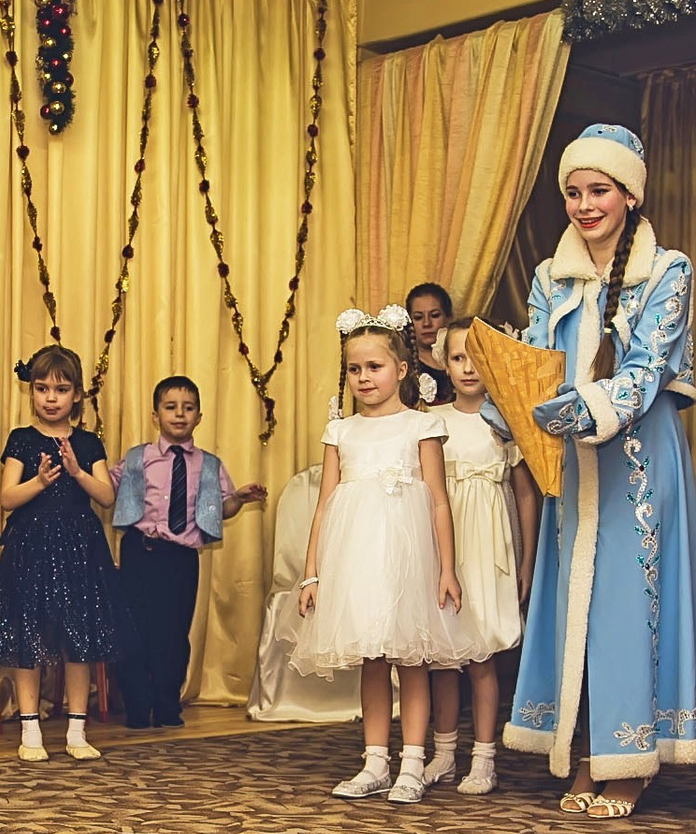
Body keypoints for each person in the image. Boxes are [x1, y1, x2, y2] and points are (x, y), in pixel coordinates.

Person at [504, 124, 696, 820]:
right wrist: (508, 405)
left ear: (629, 193)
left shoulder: (668, 270)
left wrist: (580, 408)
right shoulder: (547, 278)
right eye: (573, 191)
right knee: (576, 611)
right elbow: (536, 360)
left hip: (637, 465)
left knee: (629, 605)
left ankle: (632, 758)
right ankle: (586, 752)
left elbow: (647, 370)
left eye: (598, 190)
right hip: (572, 468)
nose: (584, 204)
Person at [294, 308, 474, 803]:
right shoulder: (341, 431)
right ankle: (375, 761)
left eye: (374, 367)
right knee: (372, 659)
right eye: (355, 369)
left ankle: (413, 763)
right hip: (356, 559)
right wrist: (311, 574)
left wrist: (447, 569)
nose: (364, 378)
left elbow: (439, 500)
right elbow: (325, 504)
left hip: (407, 557)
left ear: (401, 369)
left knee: (410, 657)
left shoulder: (422, 425)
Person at [0, 344, 122, 762]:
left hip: (80, 549)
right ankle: (30, 731)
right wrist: (41, 481)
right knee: (31, 636)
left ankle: (77, 731)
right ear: (31, 392)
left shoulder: (86, 442)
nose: (50, 397)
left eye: (60, 389)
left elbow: (107, 495)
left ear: (77, 395)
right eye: (42, 388)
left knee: (78, 639)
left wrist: (77, 471)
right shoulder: (21, 440)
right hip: (31, 549)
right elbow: (7, 497)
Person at [109, 376, 264, 729]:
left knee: (174, 634)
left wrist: (237, 499)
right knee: (135, 632)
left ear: (199, 416)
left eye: (188, 408)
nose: (179, 414)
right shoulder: (138, 458)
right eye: (170, 407)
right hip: (140, 551)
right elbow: (107, 487)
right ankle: (137, 707)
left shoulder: (209, 464)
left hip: (180, 560)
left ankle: (167, 705)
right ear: (155, 415)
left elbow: (219, 508)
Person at [426, 322, 538, 795]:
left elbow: (526, 497)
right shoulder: (432, 421)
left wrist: (528, 562)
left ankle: (484, 758)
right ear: (443, 363)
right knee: (442, 657)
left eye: (476, 357)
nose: (468, 368)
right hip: (443, 549)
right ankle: (444, 753)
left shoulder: (505, 422)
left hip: (489, 548)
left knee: (481, 655)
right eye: (457, 358)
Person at [406, 282, 456, 406]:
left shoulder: (464, 361)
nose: (426, 323)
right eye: (418, 317)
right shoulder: (406, 366)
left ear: (449, 317)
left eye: (434, 315)